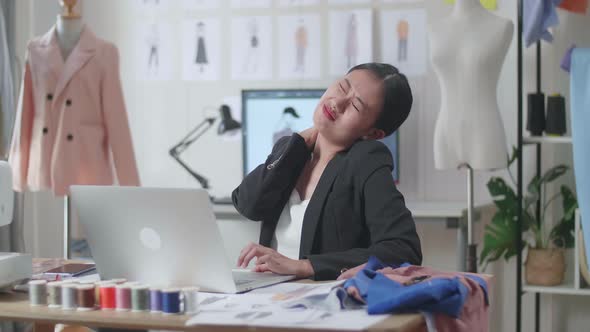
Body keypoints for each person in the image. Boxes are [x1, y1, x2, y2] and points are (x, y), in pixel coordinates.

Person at [232, 63, 422, 281]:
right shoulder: (292, 149)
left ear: (373, 133)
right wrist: (295, 147)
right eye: (342, 87)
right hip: (269, 296)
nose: (337, 103)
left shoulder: (366, 160)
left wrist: (305, 266)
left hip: (322, 302)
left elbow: (403, 249)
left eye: (356, 106)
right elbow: (248, 205)